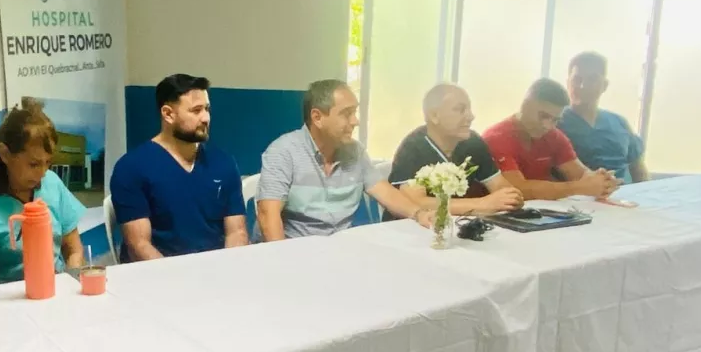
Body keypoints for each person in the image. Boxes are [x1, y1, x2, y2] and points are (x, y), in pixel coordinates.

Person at [256, 79, 432, 240]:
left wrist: (419, 213)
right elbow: (268, 215)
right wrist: (283, 259)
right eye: (346, 114)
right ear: (317, 118)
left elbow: (385, 193)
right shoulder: (283, 152)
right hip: (296, 248)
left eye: (354, 112)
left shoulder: (355, 151)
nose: (355, 121)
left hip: (339, 248)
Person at [110, 74, 248, 261]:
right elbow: (139, 245)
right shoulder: (131, 168)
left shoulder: (223, 163)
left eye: (207, 109)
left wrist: (228, 268)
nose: (206, 118)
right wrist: (176, 276)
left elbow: (237, 232)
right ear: (168, 114)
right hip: (159, 272)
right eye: (196, 110)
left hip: (215, 268)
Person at [0, 99, 86, 288]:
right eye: (33, 164)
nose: (43, 173)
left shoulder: (52, 183)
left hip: (55, 289)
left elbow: (74, 250)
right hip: (8, 298)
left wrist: (71, 282)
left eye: (48, 162)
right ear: (4, 154)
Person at [387, 83, 524, 219]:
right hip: (411, 227)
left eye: (469, 109)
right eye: (460, 109)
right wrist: (482, 204)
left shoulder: (473, 143)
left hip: (457, 224)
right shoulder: (413, 148)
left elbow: (499, 185)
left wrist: (510, 198)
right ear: (434, 115)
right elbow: (418, 202)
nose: (471, 116)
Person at [482, 78, 620, 201]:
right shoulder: (497, 138)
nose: (547, 126)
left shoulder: (554, 135)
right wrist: (578, 188)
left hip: (543, 211)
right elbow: (516, 190)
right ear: (525, 105)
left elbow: (580, 175)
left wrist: (602, 182)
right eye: (543, 116)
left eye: (555, 120)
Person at [558, 52, 648, 184]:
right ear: (567, 83)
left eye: (592, 79)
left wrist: (647, 192)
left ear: (604, 85)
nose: (583, 86)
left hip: (626, 193)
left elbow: (639, 170)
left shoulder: (619, 123)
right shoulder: (554, 122)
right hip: (581, 193)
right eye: (577, 79)